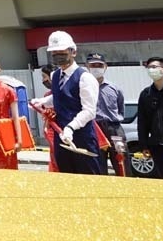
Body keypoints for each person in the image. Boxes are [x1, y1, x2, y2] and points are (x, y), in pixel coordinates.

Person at [30, 30, 101, 175]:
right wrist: (43, 101)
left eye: (61, 52)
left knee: (88, 179)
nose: (58, 56)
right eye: (54, 53)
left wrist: (71, 127)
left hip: (81, 137)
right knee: (66, 177)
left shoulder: (85, 78)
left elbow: (89, 111)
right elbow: (59, 97)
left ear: (73, 52)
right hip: (60, 137)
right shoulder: (55, 75)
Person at [86, 52, 125, 175]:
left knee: (121, 162)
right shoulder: (83, 88)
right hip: (94, 129)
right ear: (87, 66)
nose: (96, 68)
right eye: (93, 65)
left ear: (105, 67)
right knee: (98, 165)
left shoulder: (114, 88)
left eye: (99, 65)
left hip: (114, 128)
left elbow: (120, 108)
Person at [38, 63, 57, 172]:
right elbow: (46, 115)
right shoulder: (47, 96)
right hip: (51, 131)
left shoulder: (64, 92)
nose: (43, 80)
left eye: (44, 77)